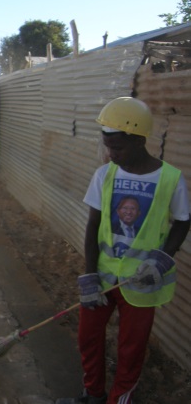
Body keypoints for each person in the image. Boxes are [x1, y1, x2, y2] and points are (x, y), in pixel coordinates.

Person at [56, 97, 190, 404]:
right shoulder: (105, 175)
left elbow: (183, 221)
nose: (110, 154)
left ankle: (119, 399)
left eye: (117, 147)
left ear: (140, 140)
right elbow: (93, 227)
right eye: (107, 146)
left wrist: (161, 261)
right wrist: (90, 274)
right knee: (88, 337)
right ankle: (92, 394)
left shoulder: (170, 178)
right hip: (103, 276)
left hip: (142, 281)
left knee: (131, 349)